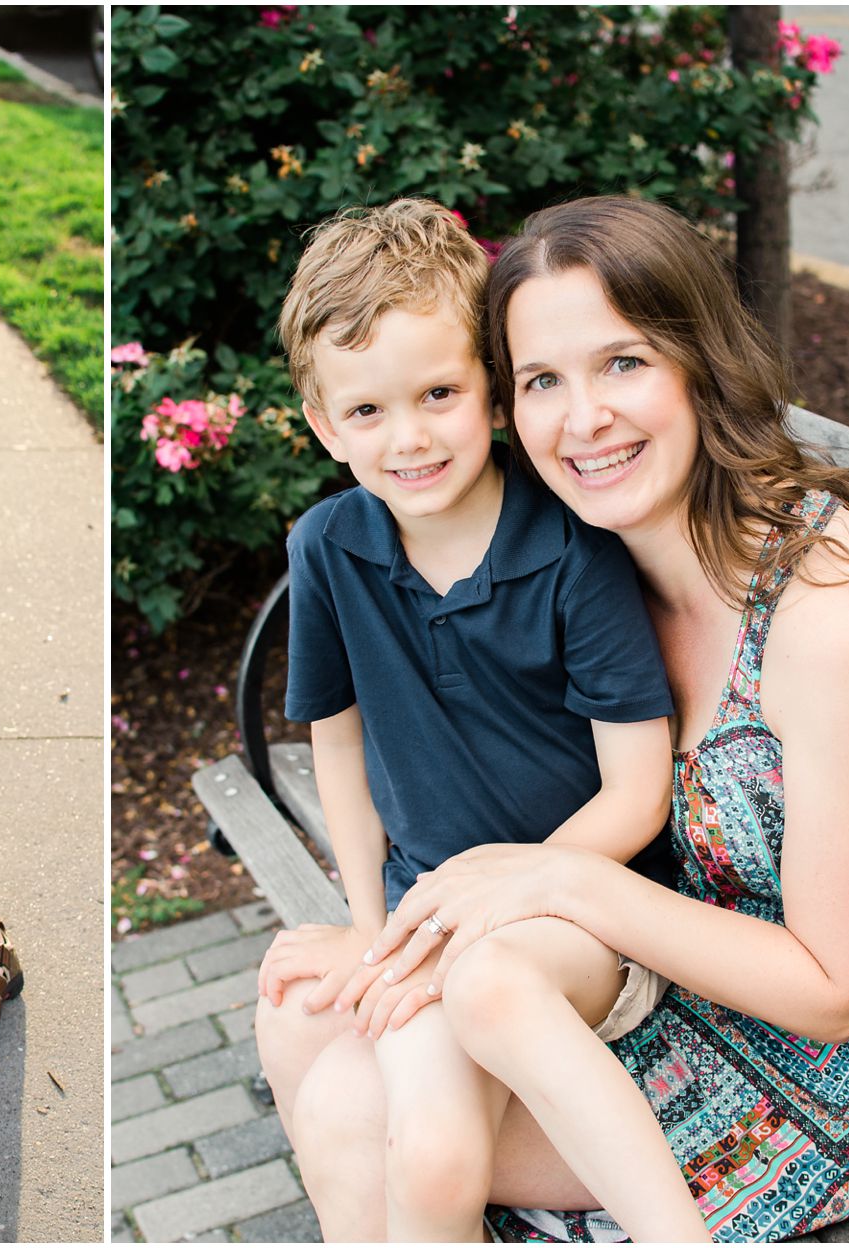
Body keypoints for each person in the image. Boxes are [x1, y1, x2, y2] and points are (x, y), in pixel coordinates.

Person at [299, 195, 849, 1242]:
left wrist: (553, 878)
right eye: (540, 382)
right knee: (327, 1055)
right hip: (678, 996)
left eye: (622, 364)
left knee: (387, 1106)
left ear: (696, 363)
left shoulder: (829, 613)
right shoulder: (600, 568)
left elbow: (838, 991)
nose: (582, 419)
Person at [254, 197, 712, 1241]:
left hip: (581, 921)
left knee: (425, 1143)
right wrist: (372, 931)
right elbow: (337, 739)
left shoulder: (568, 549)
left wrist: (473, 912)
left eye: (438, 394)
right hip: (429, 911)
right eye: (365, 412)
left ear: (491, 395)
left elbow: (635, 794)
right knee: (324, 1085)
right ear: (323, 425)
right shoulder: (329, 546)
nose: (408, 438)